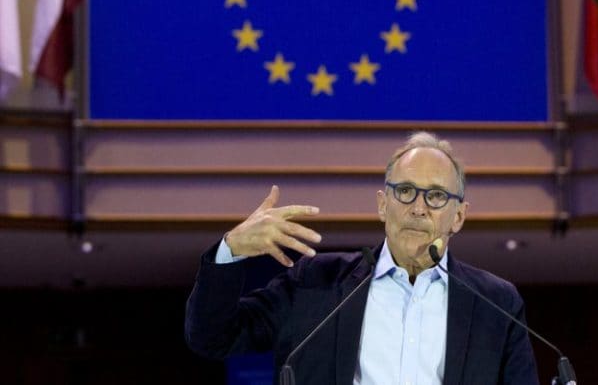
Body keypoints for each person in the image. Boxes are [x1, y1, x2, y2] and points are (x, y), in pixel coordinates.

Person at [185, 132, 538, 384]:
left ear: (458, 216)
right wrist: (231, 250)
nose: (418, 208)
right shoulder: (316, 284)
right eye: (405, 191)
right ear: (383, 205)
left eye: (435, 196)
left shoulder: (496, 303)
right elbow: (212, 338)